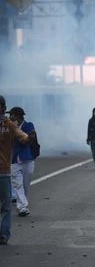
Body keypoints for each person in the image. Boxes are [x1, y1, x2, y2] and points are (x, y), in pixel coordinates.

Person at [0, 96, 32, 245]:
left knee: (6, 206)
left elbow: (23, 136)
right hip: (8, 168)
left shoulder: (10, 125)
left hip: (5, 170)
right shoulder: (10, 124)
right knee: (7, 203)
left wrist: (27, 138)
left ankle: (3, 235)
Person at [8, 107, 37, 217]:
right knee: (18, 184)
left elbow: (28, 140)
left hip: (28, 159)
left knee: (25, 185)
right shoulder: (9, 127)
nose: (11, 117)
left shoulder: (28, 125)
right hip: (14, 160)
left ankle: (22, 204)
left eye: (13, 115)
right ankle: (22, 207)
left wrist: (29, 137)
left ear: (19, 116)